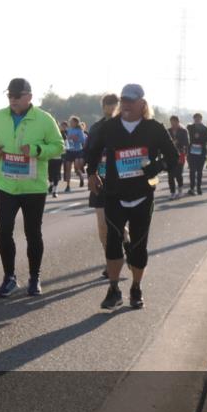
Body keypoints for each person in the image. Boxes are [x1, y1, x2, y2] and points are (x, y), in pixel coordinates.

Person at [87, 84, 178, 310]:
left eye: (131, 100)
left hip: (142, 196)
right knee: (113, 243)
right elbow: (93, 151)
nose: (126, 104)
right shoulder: (110, 127)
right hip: (114, 194)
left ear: (142, 103)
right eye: (123, 100)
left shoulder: (154, 128)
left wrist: (155, 167)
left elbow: (173, 158)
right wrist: (92, 173)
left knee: (138, 246)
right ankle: (113, 288)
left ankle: (136, 288)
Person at [0, 78, 64, 298]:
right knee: (5, 231)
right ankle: (9, 277)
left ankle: (34, 277)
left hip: (33, 187)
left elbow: (59, 146)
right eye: (9, 95)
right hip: (6, 186)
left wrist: (37, 150)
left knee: (32, 233)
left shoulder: (44, 119)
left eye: (17, 96)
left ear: (29, 96)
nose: (13, 100)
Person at [86, 94, 127, 279]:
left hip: (123, 182)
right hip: (101, 182)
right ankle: (110, 261)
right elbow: (89, 153)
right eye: (107, 104)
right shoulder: (96, 128)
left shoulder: (128, 127)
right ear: (103, 107)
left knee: (119, 225)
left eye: (114, 104)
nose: (111, 107)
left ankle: (127, 249)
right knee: (103, 226)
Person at [186, 113, 207, 196]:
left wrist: (200, 138)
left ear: (201, 119)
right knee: (192, 170)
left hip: (201, 152)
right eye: (195, 118)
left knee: (199, 171)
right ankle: (192, 188)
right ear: (194, 119)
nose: (197, 120)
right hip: (191, 152)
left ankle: (199, 187)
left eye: (199, 118)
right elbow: (186, 138)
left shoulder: (205, 128)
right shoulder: (190, 128)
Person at [166, 115, 189, 200]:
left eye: (174, 122)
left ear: (178, 122)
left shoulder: (183, 131)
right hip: (169, 155)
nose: (173, 124)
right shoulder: (167, 131)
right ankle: (172, 192)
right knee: (170, 175)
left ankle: (180, 190)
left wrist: (178, 143)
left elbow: (186, 143)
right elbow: (164, 142)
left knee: (178, 174)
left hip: (180, 154)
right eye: (171, 122)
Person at [62, 117, 86, 192]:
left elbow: (83, 140)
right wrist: (68, 139)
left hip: (77, 151)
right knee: (68, 169)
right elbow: (65, 139)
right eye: (70, 122)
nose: (70, 123)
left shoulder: (79, 130)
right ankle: (68, 186)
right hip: (69, 151)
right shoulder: (68, 130)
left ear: (76, 123)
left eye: (72, 122)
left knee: (76, 168)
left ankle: (81, 177)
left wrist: (76, 139)